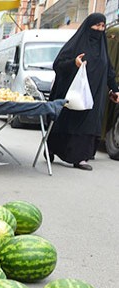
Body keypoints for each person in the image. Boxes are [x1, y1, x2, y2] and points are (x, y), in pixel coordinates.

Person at [48, 13, 119, 171]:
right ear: (88, 27)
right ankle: (53, 149)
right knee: (71, 121)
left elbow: (108, 70)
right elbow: (58, 65)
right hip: (74, 93)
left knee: (89, 122)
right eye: (96, 25)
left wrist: (115, 89)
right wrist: (74, 63)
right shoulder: (75, 45)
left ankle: (80, 157)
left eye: (102, 26)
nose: (100, 29)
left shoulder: (102, 49)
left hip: (95, 95)